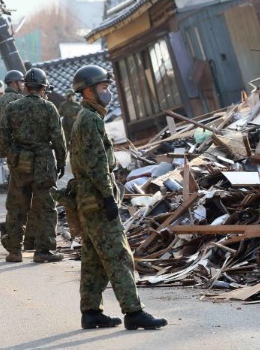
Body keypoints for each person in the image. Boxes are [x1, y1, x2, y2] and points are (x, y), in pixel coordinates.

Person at [69, 65, 166, 330]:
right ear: (88, 91)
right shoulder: (90, 120)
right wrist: (108, 198)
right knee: (119, 256)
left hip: (88, 200)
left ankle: (91, 312)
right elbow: (96, 163)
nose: (107, 92)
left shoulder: (86, 117)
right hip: (98, 200)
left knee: (93, 259)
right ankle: (134, 312)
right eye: (103, 87)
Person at [0, 68, 65, 264]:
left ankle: (14, 251)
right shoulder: (49, 108)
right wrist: (60, 161)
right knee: (46, 207)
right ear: (43, 88)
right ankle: (43, 250)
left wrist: (12, 156)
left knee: (17, 207)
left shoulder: (12, 107)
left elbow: (2, 139)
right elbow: (59, 140)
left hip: (20, 163)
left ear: (25, 87)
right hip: (44, 163)